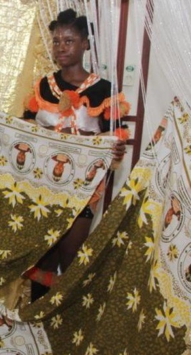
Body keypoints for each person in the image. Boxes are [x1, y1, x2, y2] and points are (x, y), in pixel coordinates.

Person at [23, 8, 129, 300]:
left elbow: (116, 138)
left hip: (83, 187)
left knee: (71, 256)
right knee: (43, 256)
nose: (61, 47)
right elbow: (27, 128)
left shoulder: (103, 90)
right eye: (57, 41)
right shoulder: (44, 85)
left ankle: (66, 322)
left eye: (69, 41)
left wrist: (115, 148)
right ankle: (37, 319)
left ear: (85, 44)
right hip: (44, 184)